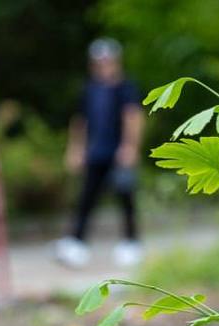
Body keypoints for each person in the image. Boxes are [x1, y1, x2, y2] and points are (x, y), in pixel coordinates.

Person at [54, 38, 144, 270]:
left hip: (119, 153)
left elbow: (133, 116)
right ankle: (76, 243)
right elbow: (80, 121)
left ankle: (132, 243)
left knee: (125, 198)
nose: (104, 65)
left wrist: (130, 147)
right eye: (99, 62)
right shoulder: (89, 89)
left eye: (108, 61)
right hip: (96, 153)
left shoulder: (126, 87)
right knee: (86, 198)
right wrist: (75, 149)